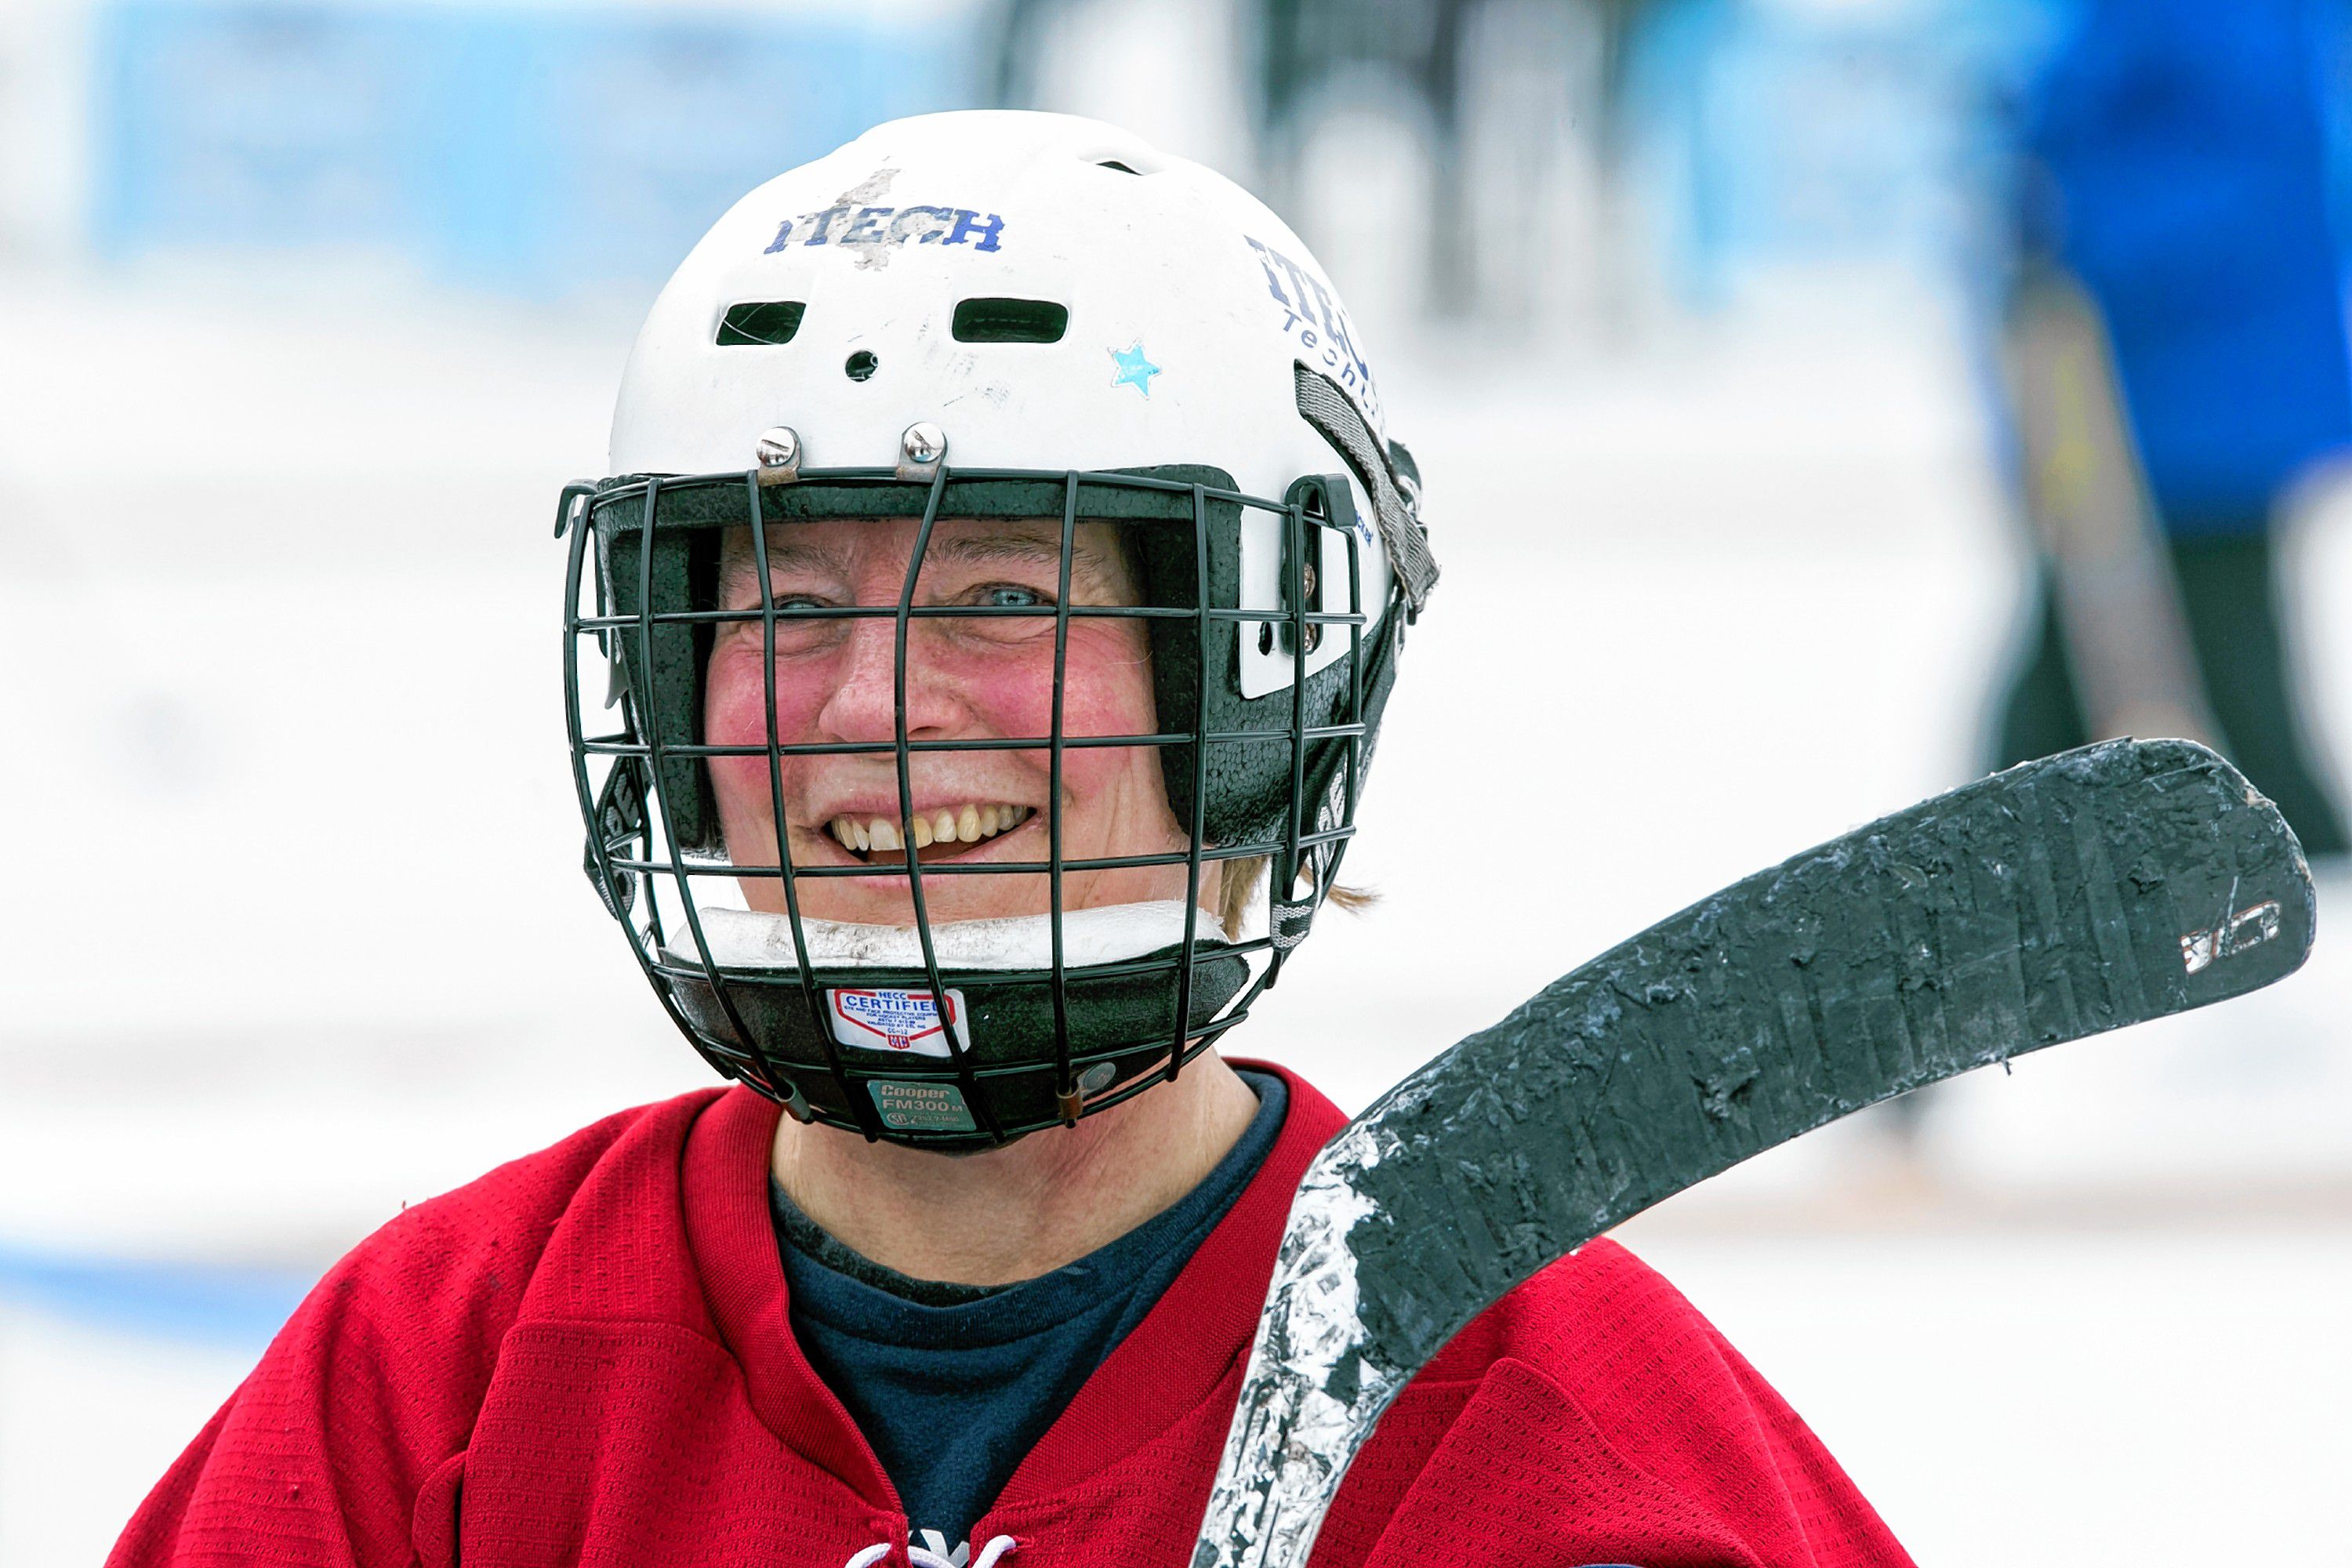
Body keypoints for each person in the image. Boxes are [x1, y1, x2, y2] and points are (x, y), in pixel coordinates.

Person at [110, 112, 1908, 1568]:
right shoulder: (444, 1382)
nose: (871, 709)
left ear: (1254, 682)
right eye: (790, 606)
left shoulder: (1541, 1447)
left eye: (996, 595)